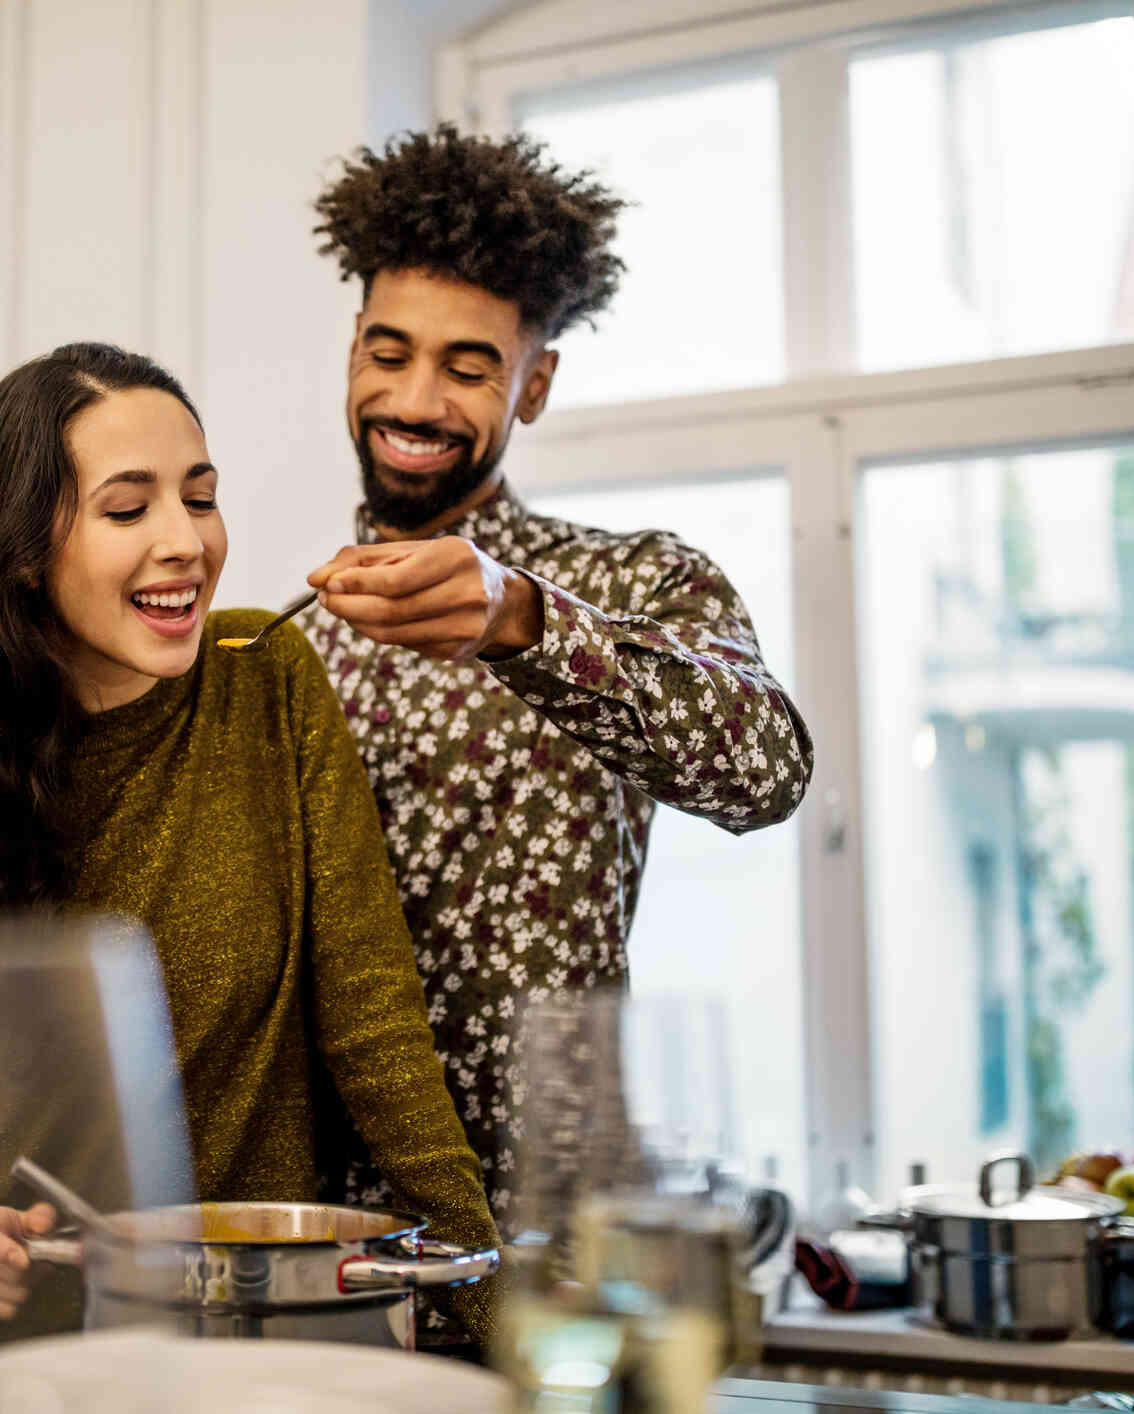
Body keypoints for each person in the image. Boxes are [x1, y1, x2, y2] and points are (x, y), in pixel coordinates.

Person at [0, 342, 499, 1381]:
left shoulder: (267, 679)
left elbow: (379, 1031)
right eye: (129, 509)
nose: (185, 543)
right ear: (19, 551)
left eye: (201, 497)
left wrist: (504, 1320)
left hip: (217, 1369)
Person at [301, 127, 816, 1230]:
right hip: (325, 1250)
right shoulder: (287, 647)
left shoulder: (635, 583)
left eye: (470, 365)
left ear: (534, 386)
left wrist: (523, 620)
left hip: (557, 1242)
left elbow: (767, 770)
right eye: (389, 353)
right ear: (353, 353)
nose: (417, 400)